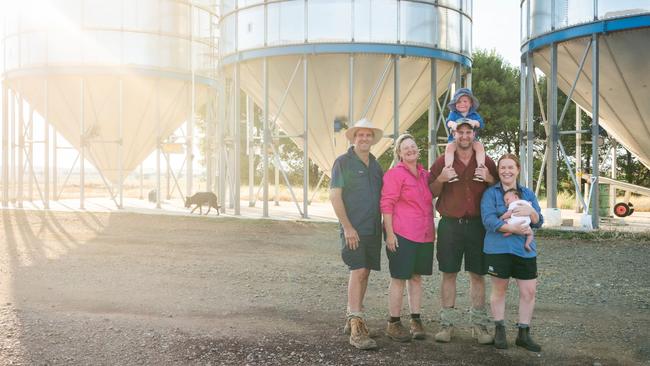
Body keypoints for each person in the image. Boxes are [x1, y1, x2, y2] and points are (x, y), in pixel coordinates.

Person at [428, 120, 497, 345]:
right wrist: (441, 179)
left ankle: (478, 325)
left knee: (477, 275)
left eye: (469, 132)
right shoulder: (442, 161)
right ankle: (447, 324)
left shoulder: (486, 161)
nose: (465, 135)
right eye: (461, 132)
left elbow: (498, 189)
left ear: (474, 134)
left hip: (478, 226)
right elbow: (430, 192)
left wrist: (489, 179)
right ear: (454, 133)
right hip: (450, 225)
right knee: (449, 273)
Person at [330, 118, 384, 350]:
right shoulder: (343, 162)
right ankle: (356, 326)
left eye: (368, 135)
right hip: (354, 228)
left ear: (372, 139)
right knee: (358, 270)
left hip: (373, 228)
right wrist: (347, 227)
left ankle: (355, 316)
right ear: (353, 138)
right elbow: (335, 195)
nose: (364, 138)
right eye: (360, 135)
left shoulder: (376, 165)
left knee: (366, 273)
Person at [480, 153, 544, 351]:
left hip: (524, 251)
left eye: (510, 167)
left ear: (517, 170)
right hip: (498, 249)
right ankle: (499, 330)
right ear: (498, 171)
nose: (506, 171)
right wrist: (512, 229)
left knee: (529, 291)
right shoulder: (491, 194)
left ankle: (523, 334)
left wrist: (531, 213)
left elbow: (539, 221)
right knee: (499, 290)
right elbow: (488, 220)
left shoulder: (527, 194)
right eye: (502, 168)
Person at [380, 134, 435, 342]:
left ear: (417, 150)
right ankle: (393, 323)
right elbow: (386, 205)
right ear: (400, 153)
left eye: (413, 146)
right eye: (406, 148)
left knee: (416, 277)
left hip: (424, 234)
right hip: (402, 233)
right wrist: (390, 233)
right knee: (399, 278)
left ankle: (415, 319)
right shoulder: (394, 175)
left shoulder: (425, 175)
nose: (410, 150)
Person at [444, 88, 486, 183]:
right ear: (455, 104)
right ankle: (449, 170)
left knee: (479, 147)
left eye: (465, 101)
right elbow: (448, 122)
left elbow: (481, 124)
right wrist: (452, 125)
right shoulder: (453, 114)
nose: (462, 103)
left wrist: (474, 122)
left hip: (471, 140)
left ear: (471, 103)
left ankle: (480, 169)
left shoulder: (474, 115)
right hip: (455, 140)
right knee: (449, 148)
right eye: (458, 101)